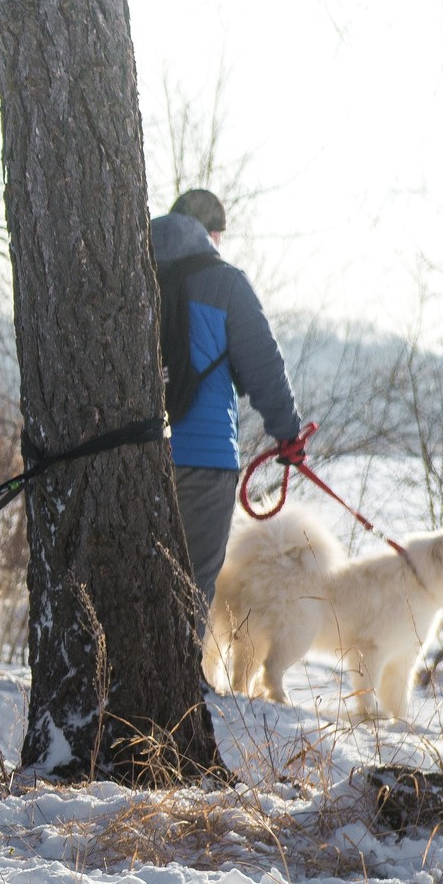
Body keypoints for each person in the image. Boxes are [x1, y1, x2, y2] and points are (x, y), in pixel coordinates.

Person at [151, 189, 303, 609]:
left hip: (135, 452)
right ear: (212, 234)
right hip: (205, 457)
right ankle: (179, 673)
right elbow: (263, 366)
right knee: (192, 583)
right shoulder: (227, 282)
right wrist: (287, 434)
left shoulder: (132, 273)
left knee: (136, 580)